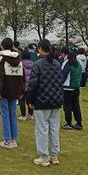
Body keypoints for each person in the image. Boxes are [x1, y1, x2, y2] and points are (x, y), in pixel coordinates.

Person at [27, 39, 64, 167]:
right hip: (55, 101)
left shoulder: (38, 65)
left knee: (42, 129)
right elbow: (60, 83)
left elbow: (32, 86)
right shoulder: (57, 64)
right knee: (54, 129)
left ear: (41, 49)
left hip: (42, 101)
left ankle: (44, 156)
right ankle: (54, 155)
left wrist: (30, 101)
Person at [0, 37, 25, 149]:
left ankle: (7, 139)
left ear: (2, 46)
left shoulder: (1, 59)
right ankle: (14, 138)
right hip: (15, 90)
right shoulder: (19, 59)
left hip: (4, 91)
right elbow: (23, 77)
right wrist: (22, 91)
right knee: (12, 113)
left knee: (5, 114)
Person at [61, 49, 83, 130]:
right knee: (76, 105)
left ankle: (68, 123)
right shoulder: (78, 64)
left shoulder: (68, 64)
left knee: (67, 107)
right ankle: (79, 123)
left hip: (67, 87)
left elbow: (63, 76)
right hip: (76, 87)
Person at [18, 50, 34, 121]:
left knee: (22, 100)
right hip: (31, 85)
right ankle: (30, 114)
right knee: (29, 100)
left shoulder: (20, 64)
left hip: (23, 85)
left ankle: (23, 114)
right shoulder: (33, 64)